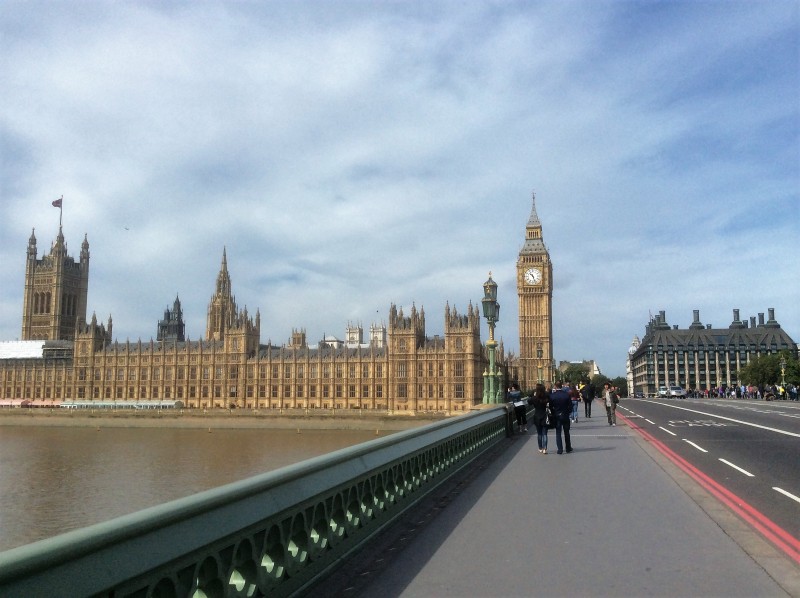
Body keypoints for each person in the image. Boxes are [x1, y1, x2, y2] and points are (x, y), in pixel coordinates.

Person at [549, 381, 573, 454]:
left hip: (557, 416)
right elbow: (570, 406)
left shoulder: (552, 396)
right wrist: (567, 412)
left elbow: (550, 407)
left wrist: (554, 413)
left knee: (558, 433)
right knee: (566, 432)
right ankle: (568, 448)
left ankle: (560, 449)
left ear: (555, 386)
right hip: (565, 415)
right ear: (562, 386)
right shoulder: (566, 395)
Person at [530, 383, 550, 454]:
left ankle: (540, 448)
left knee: (539, 434)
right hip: (545, 416)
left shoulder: (534, 398)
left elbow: (529, 401)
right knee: (545, 433)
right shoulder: (546, 396)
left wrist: (534, 395)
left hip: (537, 416)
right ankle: (545, 448)